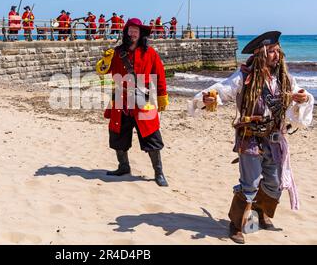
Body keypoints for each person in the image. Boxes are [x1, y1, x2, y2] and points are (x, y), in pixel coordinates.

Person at [188, 31, 314, 244]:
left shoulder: (284, 77)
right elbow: (222, 91)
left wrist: (303, 98)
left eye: (277, 51)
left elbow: (299, 95)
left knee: (273, 183)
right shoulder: (243, 76)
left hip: (275, 138)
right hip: (250, 137)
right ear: (261, 53)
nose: (277, 55)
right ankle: (236, 225)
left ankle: (260, 211)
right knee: (250, 184)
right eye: (272, 51)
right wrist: (208, 99)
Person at [96, 18, 170, 187]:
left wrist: (162, 96)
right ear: (126, 32)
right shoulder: (116, 52)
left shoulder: (150, 53)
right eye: (130, 30)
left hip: (144, 100)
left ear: (141, 33)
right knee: (118, 135)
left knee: (152, 137)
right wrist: (106, 60)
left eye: (136, 30)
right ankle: (123, 167)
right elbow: (101, 71)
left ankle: (159, 172)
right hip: (121, 100)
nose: (133, 33)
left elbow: (159, 75)